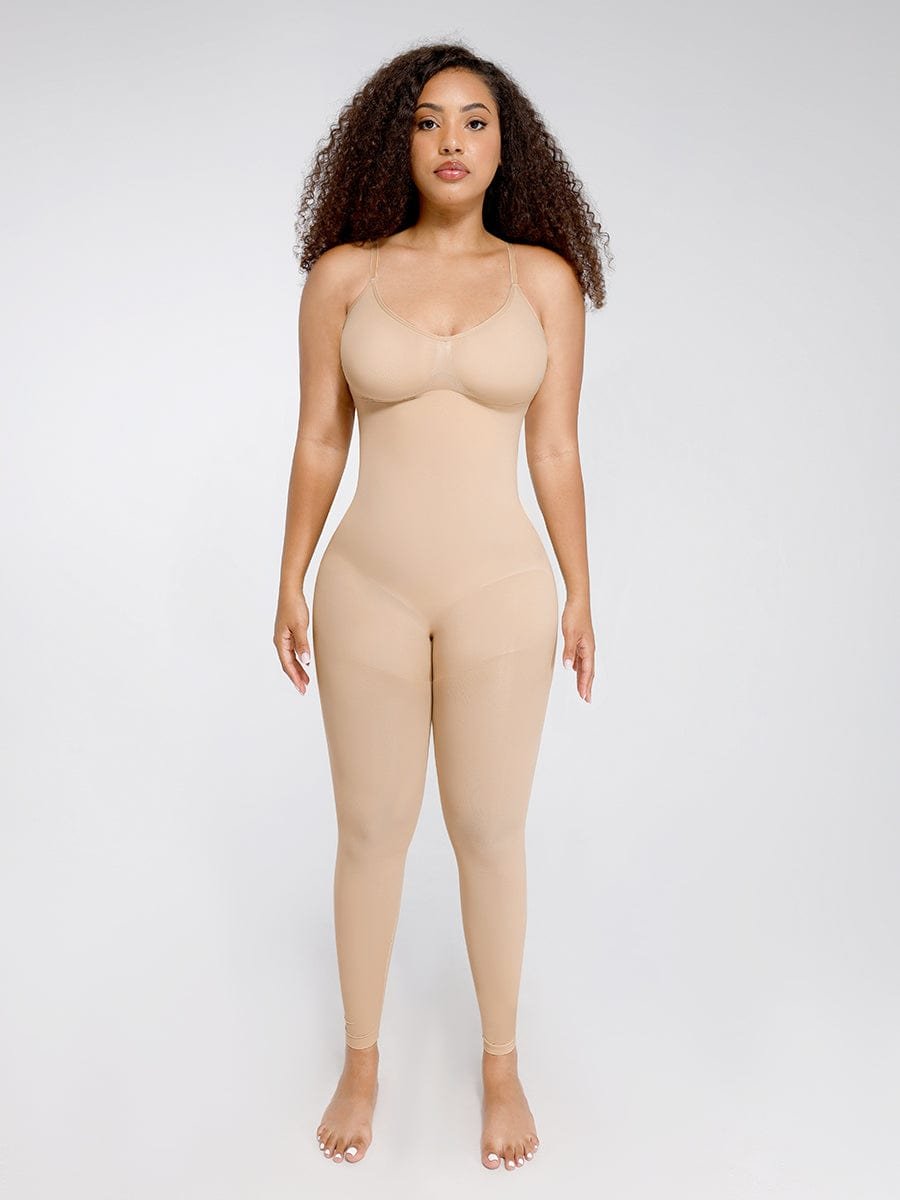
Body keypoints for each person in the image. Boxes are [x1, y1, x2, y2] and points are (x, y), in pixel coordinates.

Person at [274, 41, 610, 1172]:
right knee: (371, 832)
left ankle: (500, 1065)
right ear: (397, 141)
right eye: (428, 120)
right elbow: (320, 440)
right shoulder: (344, 277)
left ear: (508, 145)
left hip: (501, 590)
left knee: (490, 832)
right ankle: (362, 1060)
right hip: (366, 585)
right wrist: (288, 574)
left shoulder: (545, 280)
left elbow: (555, 449)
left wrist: (581, 589)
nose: (452, 141)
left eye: (475, 120)